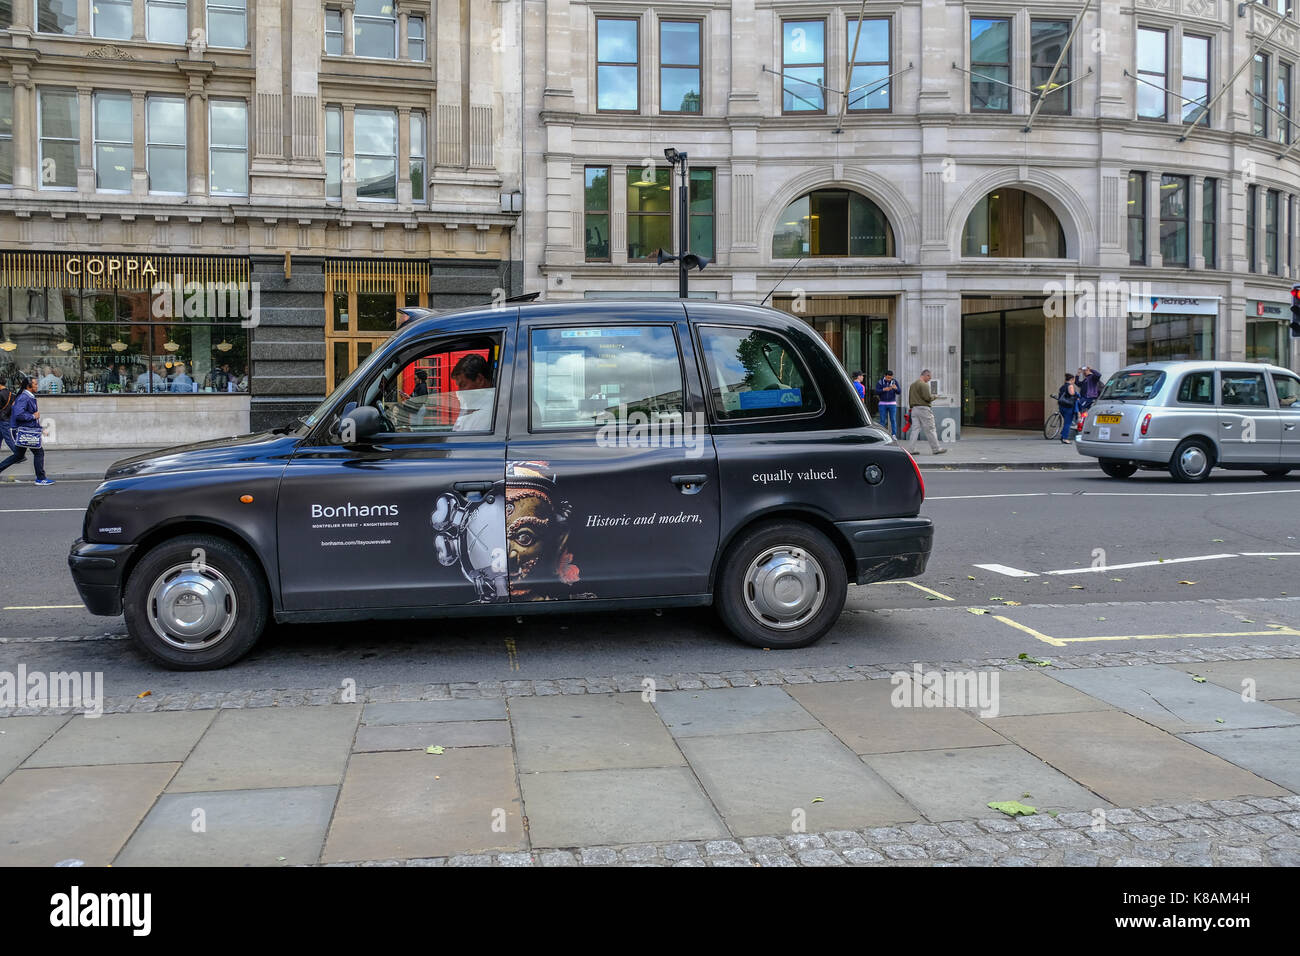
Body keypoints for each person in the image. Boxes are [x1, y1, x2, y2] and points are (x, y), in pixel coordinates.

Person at [0, 376, 53, 485]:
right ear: (29, 386)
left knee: (18, 455)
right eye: (35, 384)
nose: (37, 386)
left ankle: (40, 478)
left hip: (25, 430)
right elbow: (19, 415)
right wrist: (33, 416)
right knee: (39, 452)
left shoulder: (27, 396)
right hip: (25, 431)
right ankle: (40, 478)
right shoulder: (25, 397)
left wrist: (40, 429)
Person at [450, 353, 495, 432]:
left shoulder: (489, 412)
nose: (459, 392)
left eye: (463, 385)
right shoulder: (471, 404)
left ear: (479, 380)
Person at [906, 369, 947, 455]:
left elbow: (910, 398)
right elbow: (927, 398)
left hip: (914, 409)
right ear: (926, 375)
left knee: (915, 430)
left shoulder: (913, 385)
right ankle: (936, 448)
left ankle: (910, 449)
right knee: (930, 429)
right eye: (929, 377)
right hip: (924, 409)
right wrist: (935, 396)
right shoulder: (924, 385)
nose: (929, 379)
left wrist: (911, 408)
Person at [875, 369, 901, 437]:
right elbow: (876, 391)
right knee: (882, 420)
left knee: (893, 419)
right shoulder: (880, 382)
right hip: (882, 403)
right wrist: (884, 389)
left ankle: (894, 435)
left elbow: (899, 392)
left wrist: (896, 388)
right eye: (888, 377)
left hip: (892, 403)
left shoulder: (894, 382)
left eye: (891, 377)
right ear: (885, 376)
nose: (889, 379)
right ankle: (882, 435)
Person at [1057, 373, 1078, 443]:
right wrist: (1077, 395)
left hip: (1061, 406)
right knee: (1067, 423)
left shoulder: (1062, 386)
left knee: (1066, 422)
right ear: (1072, 379)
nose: (1074, 381)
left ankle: (1063, 435)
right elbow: (1072, 393)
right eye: (1074, 380)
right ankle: (1065, 438)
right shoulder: (1070, 386)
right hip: (1068, 407)